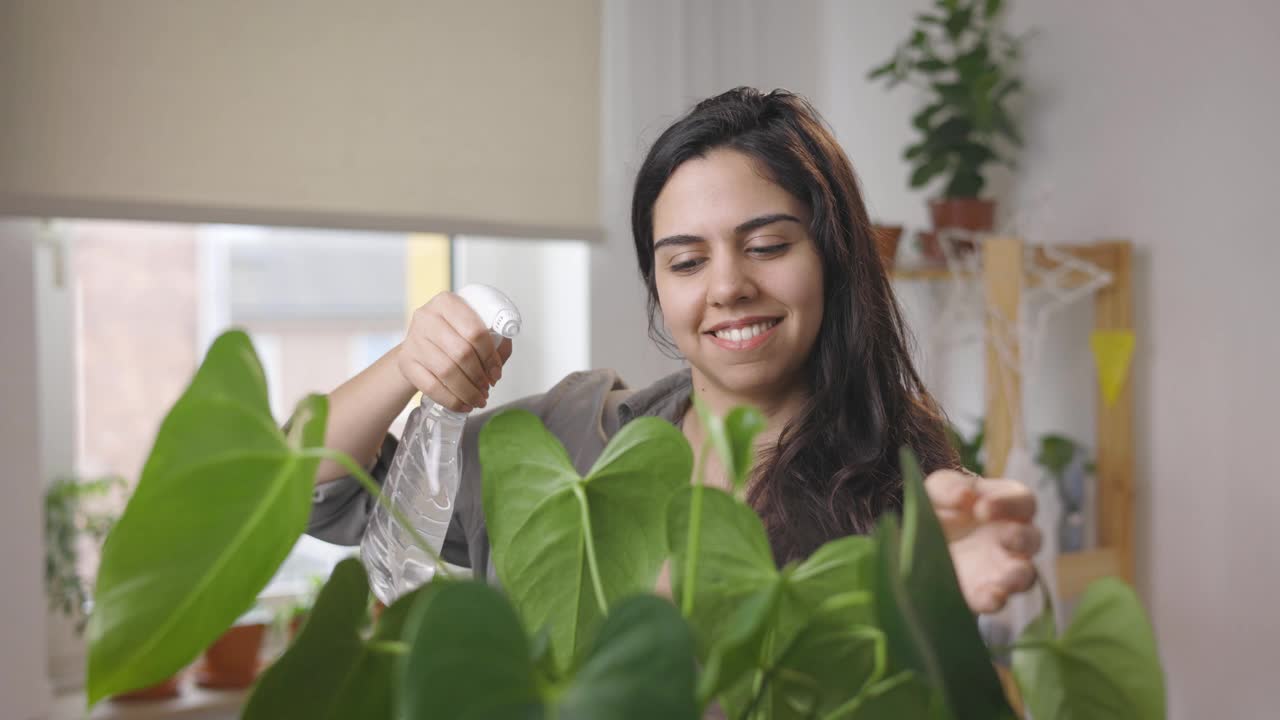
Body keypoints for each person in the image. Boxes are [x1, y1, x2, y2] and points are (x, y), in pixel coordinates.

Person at [307, 87, 1040, 616]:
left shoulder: (903, 484)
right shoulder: (570, 438)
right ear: (658, 286)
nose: (728, 286)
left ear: (835, 256)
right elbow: (319, 495)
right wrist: (408, 363)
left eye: (766, 246)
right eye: (686, 262)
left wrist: (938, 607)